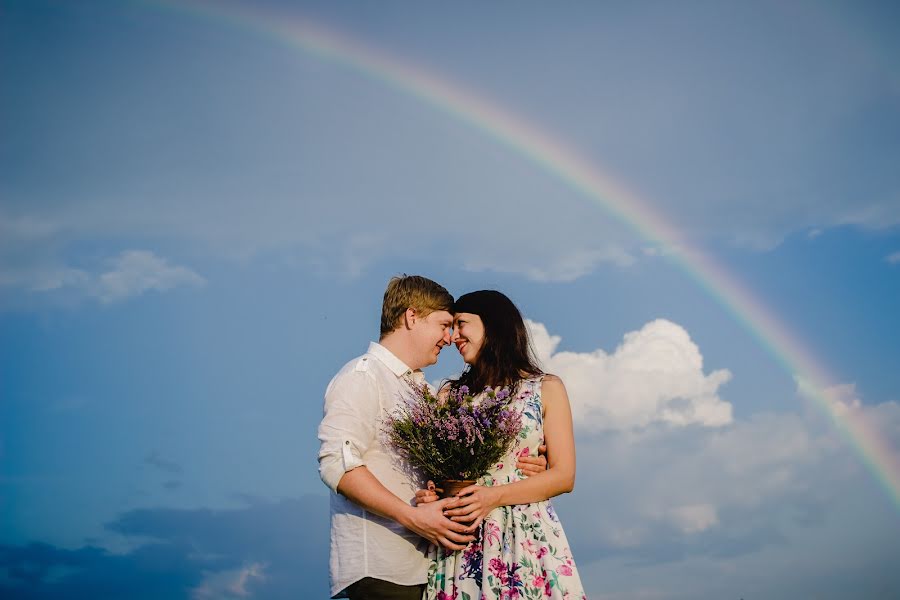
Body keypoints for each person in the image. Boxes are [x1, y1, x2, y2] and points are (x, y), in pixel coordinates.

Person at [317, 276, 547, 600]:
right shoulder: (363, 377)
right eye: (443, 324)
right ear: (412, 317)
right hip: (381, 569)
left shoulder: (423, 391)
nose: (449, 337)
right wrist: (412, 516)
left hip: (427, 569)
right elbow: (336, 464)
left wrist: (526, 459)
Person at [417, 290, 587, 600]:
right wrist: (433, 492)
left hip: (525, 537)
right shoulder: (448, 395)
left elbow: (565, 475)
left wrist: (493, 497)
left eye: (461, 324)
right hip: (463, 538)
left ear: (492, 325)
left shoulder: (546, 388)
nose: (454, 336)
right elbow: (439, 474)